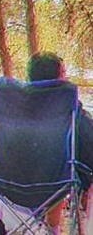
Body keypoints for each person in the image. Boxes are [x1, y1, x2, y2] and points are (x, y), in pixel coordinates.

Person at [26, 52, 93, 233]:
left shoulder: (12, 105)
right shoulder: (68, 107)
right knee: (67, 171)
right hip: (56, 178)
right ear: (57, 79)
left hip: (6, 181)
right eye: (63, 72)